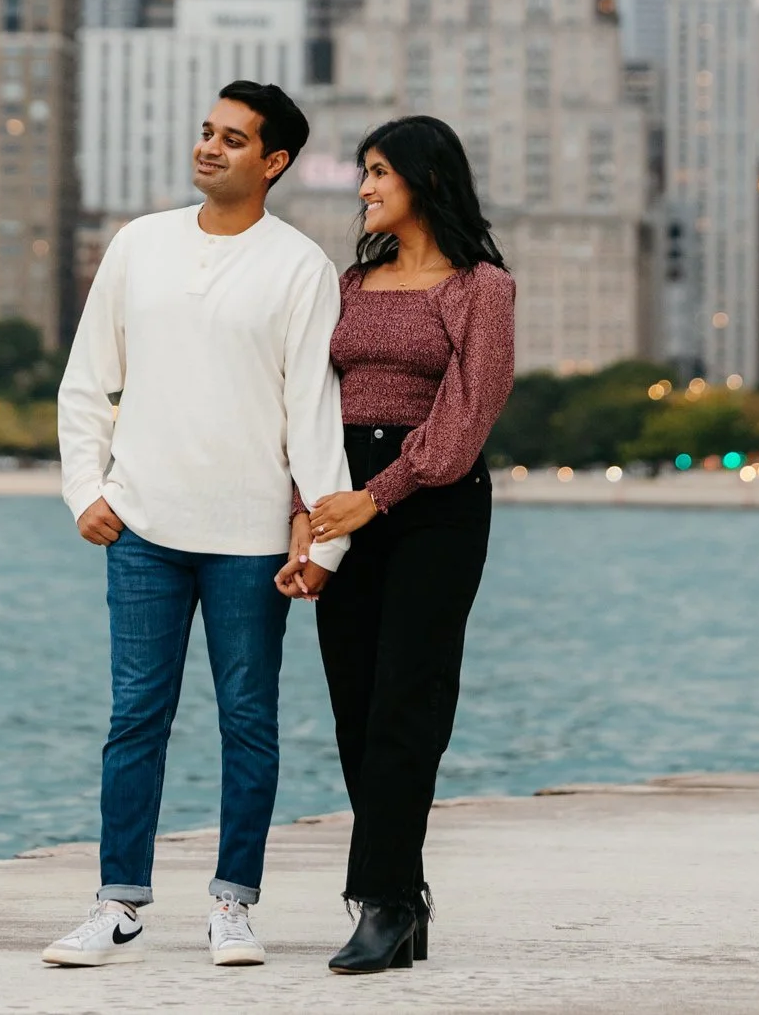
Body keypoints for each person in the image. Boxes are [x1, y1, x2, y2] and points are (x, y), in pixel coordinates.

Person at [44, 81, 353, 970]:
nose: (209, 147)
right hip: (141, 528)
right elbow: (86, 379)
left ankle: (233, 905)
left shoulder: (299, 268)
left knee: (248, 721)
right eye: (206, 131)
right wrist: (84, 489)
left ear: (275, 161)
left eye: (233, 138)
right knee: (134, 717)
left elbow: (312, 413)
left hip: (251, 541)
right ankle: (117, 903)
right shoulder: (139, 244)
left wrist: (325, 540)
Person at [281, 114, 514, 976]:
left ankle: (379, 901)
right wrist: (307, 514)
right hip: (342, 498)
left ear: (426, 179)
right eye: (364, 171)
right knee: (354, 703)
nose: (365, 186)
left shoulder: (480, 288)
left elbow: (466, 416)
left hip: (432, 507)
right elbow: (311, 401)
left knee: (405, 705)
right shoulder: (351, 281)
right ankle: (404, 899)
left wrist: (374, 498)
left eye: (380, 171)